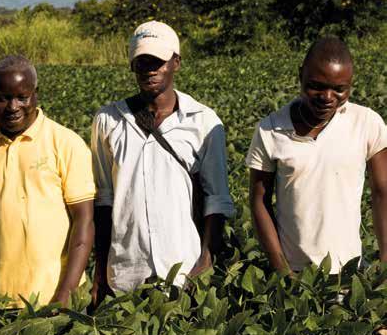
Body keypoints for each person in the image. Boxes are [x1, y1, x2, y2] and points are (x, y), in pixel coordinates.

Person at [91, 21, 235, 301]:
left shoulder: (203, 121)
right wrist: (100, 275)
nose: (150, 70)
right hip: (124, 274)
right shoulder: (108, 121)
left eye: (158, 62)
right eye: (142, 62)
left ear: (176, 63)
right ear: (132, 66)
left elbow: (216, 200)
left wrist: (204, 263)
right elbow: (103, 201)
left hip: (183, 271)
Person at [246, 36, 387, 274]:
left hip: (349, 274)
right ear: (300, 74)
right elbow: (259, 201)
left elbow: (383, 192)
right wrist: (283, 271)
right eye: (317, 86)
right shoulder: (270, 129)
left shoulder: (366, 123)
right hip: (294, 272)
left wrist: (385, 262)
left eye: (340, 89)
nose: (327, 97)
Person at [0, 55, 95, 307]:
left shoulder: (66, 143)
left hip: (55, 295)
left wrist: (66, 292)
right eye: (2, 98)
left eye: (21, 97)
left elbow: (84, 220)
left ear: (36, 94)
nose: (12, 106)